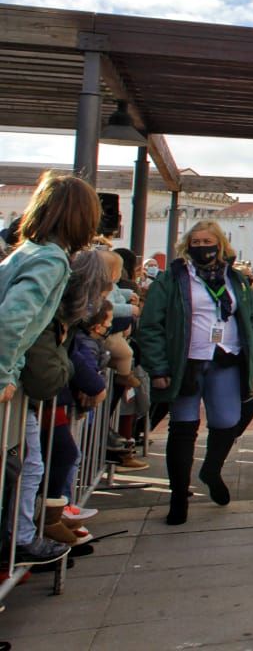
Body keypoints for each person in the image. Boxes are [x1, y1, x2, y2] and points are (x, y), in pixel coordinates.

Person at [0, 172, 99, 568]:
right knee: (28, 465)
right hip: (9, 380)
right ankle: (21, 538)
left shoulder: (25, 251)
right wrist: (4, 374)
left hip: (15, 376)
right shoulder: (52, 259)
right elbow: (13, 320)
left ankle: (21, 536)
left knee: (27, 463)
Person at [137, 221, 253, 525]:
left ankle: (211, 469)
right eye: (196, 241)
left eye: (207, 240)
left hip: (225, 358)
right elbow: (151, 325)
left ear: (219, 244)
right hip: (187, 361)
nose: (202, 246)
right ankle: (178, 496)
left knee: (227, 420)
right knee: (183, 426)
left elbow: (252, 319)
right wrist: (158, 367)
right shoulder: (173, 279)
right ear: (187, 245)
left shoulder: (235, 279)